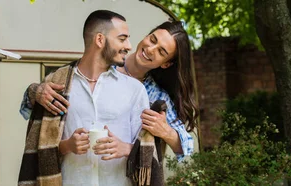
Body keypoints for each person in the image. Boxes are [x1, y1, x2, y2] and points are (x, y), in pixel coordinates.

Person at [20, 21, 198, 162]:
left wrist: (165, 131)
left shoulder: (156, 96)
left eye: (161, 51)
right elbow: (29, 109)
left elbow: (186, 147)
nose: (150, 49)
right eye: (152, 39)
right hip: (73, 171)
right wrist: (35, 91)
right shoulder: (100, 66)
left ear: (166, 64)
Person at [17, 10, 149, 186]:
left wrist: (124, 148)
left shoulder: (135, 90)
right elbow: (41, 145)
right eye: (122, 38)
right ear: (100, 40)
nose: (129, 46)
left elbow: (149, 150)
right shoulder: (56, 85)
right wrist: (68, 146)